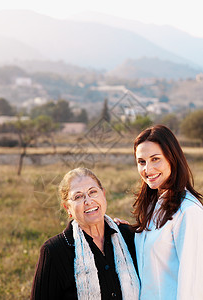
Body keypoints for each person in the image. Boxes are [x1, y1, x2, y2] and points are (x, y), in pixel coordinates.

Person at [30, 167, 140, 300]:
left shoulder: (129, 236)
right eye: (78, 196)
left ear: (103, 194)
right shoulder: (54, 251)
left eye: (93, 192)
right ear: (67, 208)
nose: (88, 201)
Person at [132, 124, 203, 300]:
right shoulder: (152, 206)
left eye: (155, 159)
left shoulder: (189, 212)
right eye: (142, 162)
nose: (147, 170)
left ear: (172, 158)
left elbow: (192, 285)